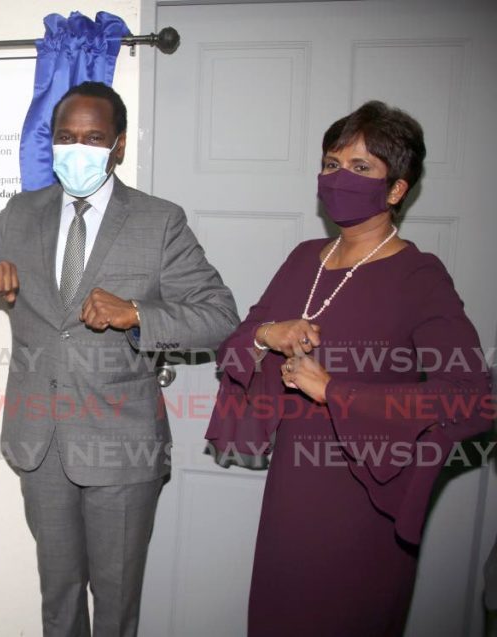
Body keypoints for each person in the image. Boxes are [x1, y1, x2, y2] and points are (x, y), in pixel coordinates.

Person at [0, 81, 238, 637]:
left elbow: (220, 316)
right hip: (42, 442)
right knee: (57, 597)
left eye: (93, 137)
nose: (76, 149)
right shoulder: (21, 214)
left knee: (115, 601)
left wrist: (136, 313)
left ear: (119, 146)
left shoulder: (160, 222)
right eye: (65, 137)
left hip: (123, 447)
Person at [205, 100, 494, 636]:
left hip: (366, 502)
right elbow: (232, 350)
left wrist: (335, 389)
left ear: (396, 189)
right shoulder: (302, 258)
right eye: (332, 164)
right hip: (292, 492)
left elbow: (472, 398)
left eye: (362, 167)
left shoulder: (419, 277)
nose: (340, 178)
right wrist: (271, 334)